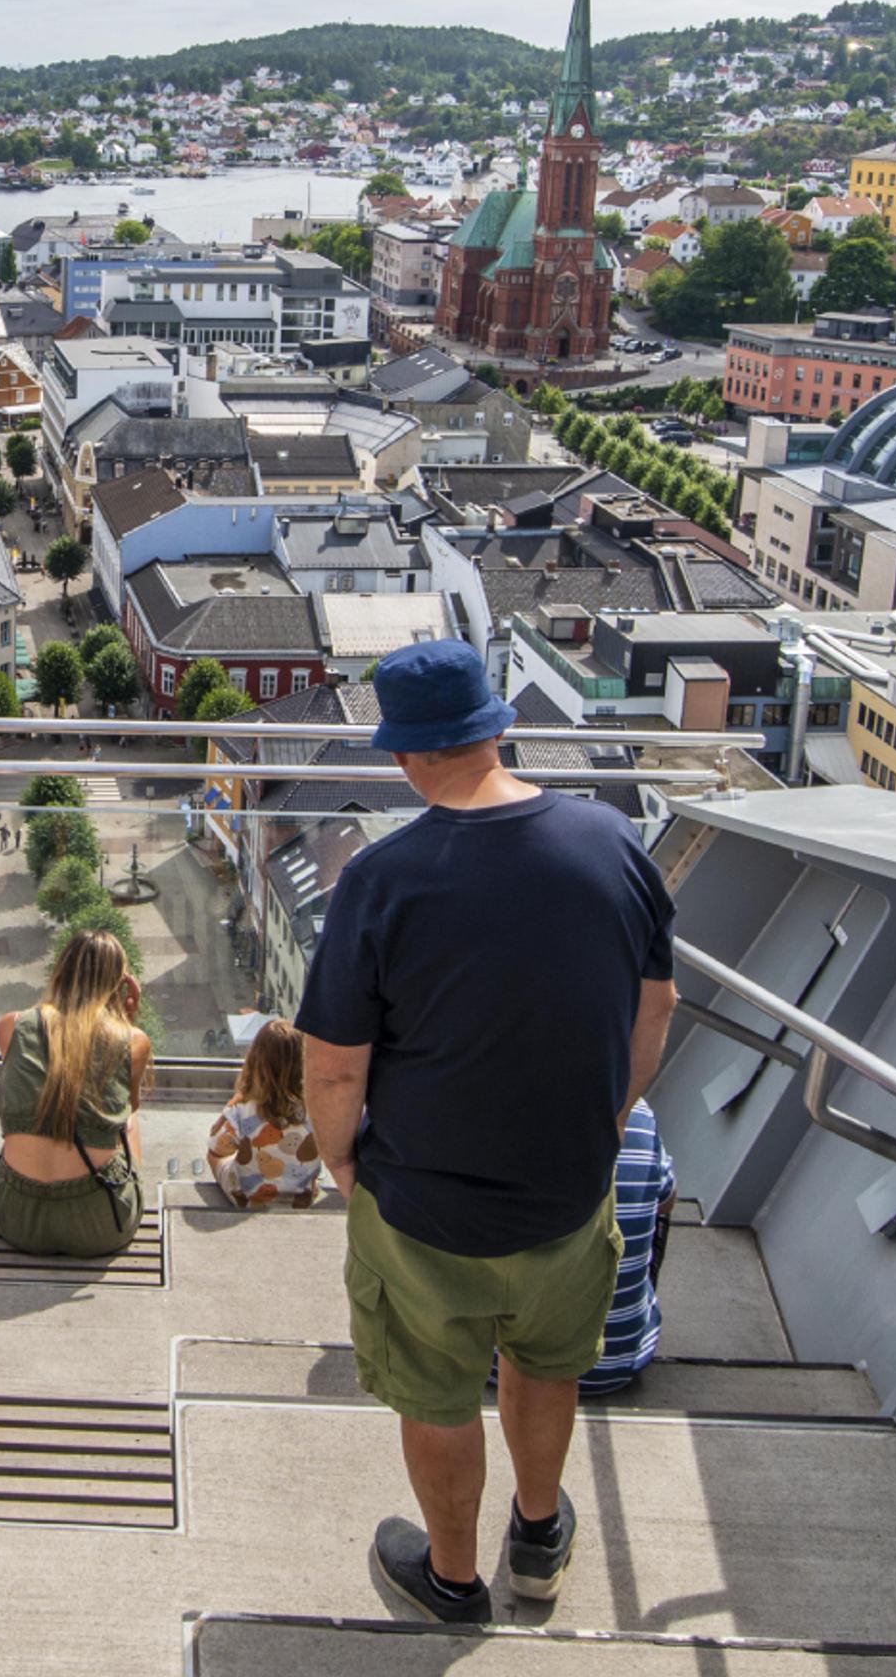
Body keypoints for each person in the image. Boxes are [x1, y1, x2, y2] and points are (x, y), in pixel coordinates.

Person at [297, 638, 675, 1624]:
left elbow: (336, 1061)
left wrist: (341, 1155)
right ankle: (540, 1534)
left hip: (424, 1203)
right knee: (548, 1367)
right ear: (499, 728)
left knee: (436, 1392)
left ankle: (454, 1581)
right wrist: (609, 1114)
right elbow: (658, 1004)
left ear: (402, 757)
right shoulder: (611, 844)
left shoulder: (383, 880)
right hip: (568, 1191)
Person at [0, 929, 152, 1257]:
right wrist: (128, 1020)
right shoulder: (132, 1040)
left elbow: (40, 1082)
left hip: (17, 1216)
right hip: (101, 1221)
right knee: (129, 1117)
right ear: (118, 983)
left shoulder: (11, 1025)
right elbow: (127, 1110)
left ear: (60, 971)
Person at [573, 1103, 675, 1397]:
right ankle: (625, 1310)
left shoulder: (505, 1098)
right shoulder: (639, 1114)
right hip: (621, 1362)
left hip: (503, 1368)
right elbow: (668, 1201)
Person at [207, 1016, 325, 1210]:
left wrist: (234, 1103)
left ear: (254, 1061)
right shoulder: (319, 1110)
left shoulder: (241, 1111)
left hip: (248, 1200)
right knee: (309, 1163)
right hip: (301, 1200)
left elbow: (217, 1148)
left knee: (216, 1157)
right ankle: (301, 1188)